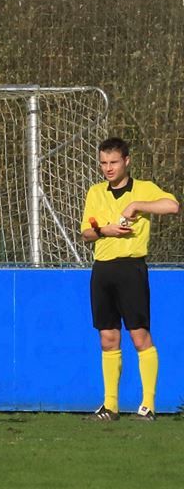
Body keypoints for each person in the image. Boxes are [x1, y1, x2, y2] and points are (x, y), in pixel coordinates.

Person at [80, 137, 178, 421]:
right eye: (103, 163)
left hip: (131, 268)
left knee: (139, 336)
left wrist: (136, 205)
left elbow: (172, 206)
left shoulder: (144, 188)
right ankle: (110, 405)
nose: (108, 168)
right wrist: (105, 231)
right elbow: (86, 233)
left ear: (126, 162)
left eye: (113, 162)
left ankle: (147, 405)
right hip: (102, 269)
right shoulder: (95, 192)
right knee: (108, 338)